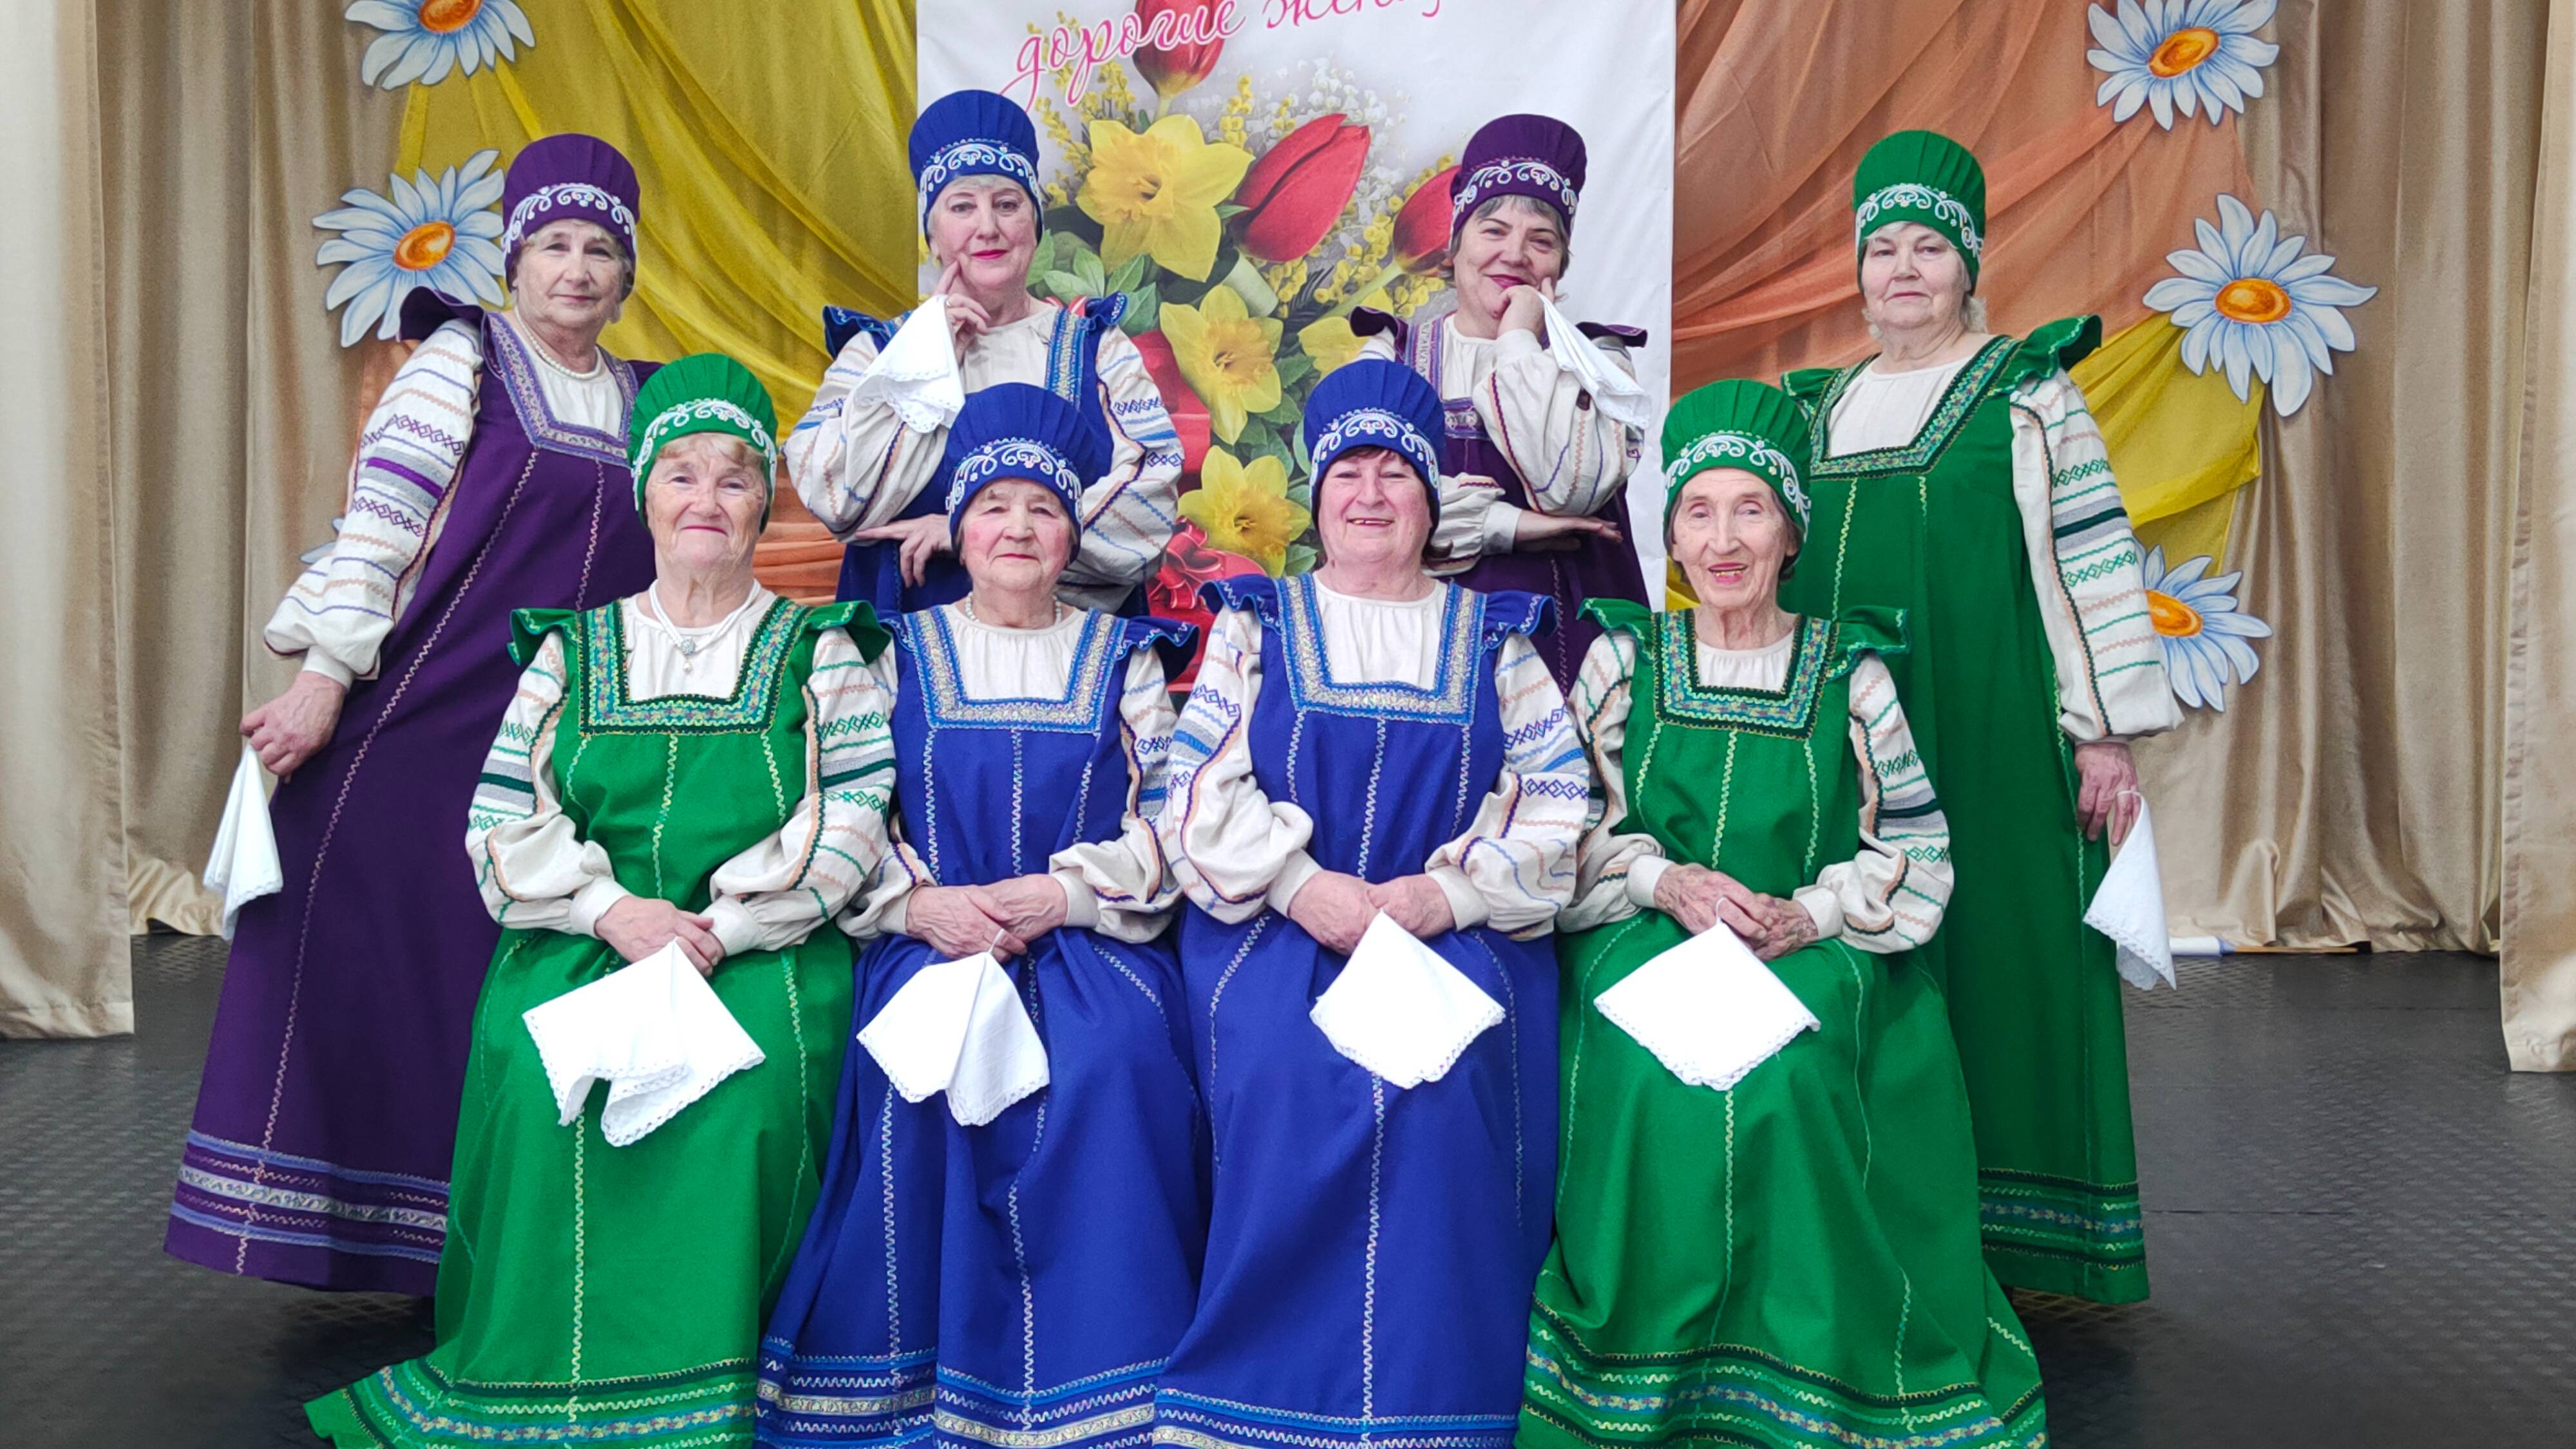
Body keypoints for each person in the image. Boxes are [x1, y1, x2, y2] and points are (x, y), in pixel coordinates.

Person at [307, 354, 896, 1446]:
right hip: (591, 936)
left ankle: (715, 1383)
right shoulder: (568, 651)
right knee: (543, 1078)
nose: (707, 499)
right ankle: (541, 1377)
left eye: (734, 478)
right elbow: (502, 817)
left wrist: (724, 928)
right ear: (644, 496)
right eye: (681, 474)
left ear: (764, 500)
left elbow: (850, 815)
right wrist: (610, 913)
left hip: (755, 948)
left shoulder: (822, 648)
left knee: (749, 1097)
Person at [171, 135, 663, 1293]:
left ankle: (486, 1244)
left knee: (498, 992)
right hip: (422, 723)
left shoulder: (646, 400)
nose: (576, 270)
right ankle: (351, 1235)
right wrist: (322, 681)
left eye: (599, 251)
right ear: (514, 260)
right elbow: (380, 524)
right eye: (553, 245)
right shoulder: (463, 360)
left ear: (626, 275)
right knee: (385, 975)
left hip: (561, 747)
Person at [1519, 381, 2045, 1448]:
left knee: (1792, 1073)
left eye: (1750, 510)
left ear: (1792, 532)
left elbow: (1914, 847)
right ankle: (1648, 1365)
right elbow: (1562, 827)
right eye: (1699, 511)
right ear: (1672, 535)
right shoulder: (1625, 657)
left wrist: (1811, 913)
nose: (1723, 540)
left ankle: (1809, 1359)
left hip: (1808, 938)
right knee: (1647, 1068)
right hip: (1646, 927)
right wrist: (1665, 883)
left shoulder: (1852, 668)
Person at [755, 384, 1204, 1444]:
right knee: (919, 1072)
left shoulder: (1125, 657)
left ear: (1073, 535)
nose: (1018, 527)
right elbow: (849, 809)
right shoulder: (889, 652)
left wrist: (1066, 893)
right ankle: (917, 1375)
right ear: (958, 530)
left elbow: (1173, 819)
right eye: (994, 506)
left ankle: (1103, 1376)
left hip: (1086, 942)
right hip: (934, 938)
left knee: (1117, 1060)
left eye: (1043, 508)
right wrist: (919, 905)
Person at [1153, 359, 1586, 1445]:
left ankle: (1441, 1396)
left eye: (1397, 473)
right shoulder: (1257, 622)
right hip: (1279, 930)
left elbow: (1556, 798)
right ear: (1317, 497)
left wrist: (1441, 896)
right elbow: (1195, 788)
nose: (1371, 493)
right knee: (1286, 1073)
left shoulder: (1497, 636)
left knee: (1445, 1089)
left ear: (1432, 502)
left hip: (1452, 935)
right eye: (1349, 471)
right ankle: (1266, 1395)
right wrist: (1304, 887)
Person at [1781, 130, 2181, 1304]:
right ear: (1859, 270)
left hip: (1991, 731)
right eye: (1883, 249)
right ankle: (1871, 1224)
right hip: (1847, 742)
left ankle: (2011, 1238)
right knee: (1861, 950)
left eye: (1928, 247)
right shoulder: (1819, 407)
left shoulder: (2027, 393)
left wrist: (2103, 731)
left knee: (2007, 960)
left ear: (1969, 263)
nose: (1903, 269)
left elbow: (2092, 556)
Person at [791, 88, 1181, 616]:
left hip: (1072, 649)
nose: (988, 227)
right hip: (911, 645)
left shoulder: (1098, 351)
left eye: (1006, 204)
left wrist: (963, 528)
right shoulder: (875, 354)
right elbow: (834, 497)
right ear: (933, 238)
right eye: (961, 207)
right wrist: (925, 359)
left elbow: (1151, 504)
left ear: (1035, 227)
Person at [1358, 113, 1647, 689]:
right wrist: (1511, 525)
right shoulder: (1390, 358)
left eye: (1541, 241)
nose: (1514, 255)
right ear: (1455, 246)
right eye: (1493, 231)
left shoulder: (1601, 361)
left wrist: (1517, 339)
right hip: (1420, 656)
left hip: (1574, 658)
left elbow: (1571, 485)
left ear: (1560, 264)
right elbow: (1366, 513)